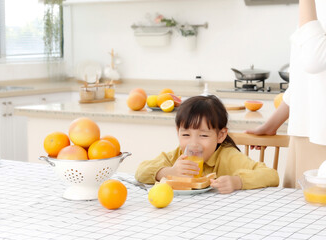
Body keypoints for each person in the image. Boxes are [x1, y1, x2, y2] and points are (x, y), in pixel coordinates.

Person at [246, 0, 326, 188]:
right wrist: (272, 124)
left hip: (320, 136)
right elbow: (303, 81)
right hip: (304, 133)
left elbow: (314, 59)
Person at [135, 95, 279, 194]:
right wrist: (168, 172)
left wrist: (237, 182)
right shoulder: (177, 156)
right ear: (178, 132)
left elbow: (271, 176)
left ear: (220, 135)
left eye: (203, 135)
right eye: (186, 135)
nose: (193, 143)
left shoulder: (228, 157)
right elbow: (140, 172)